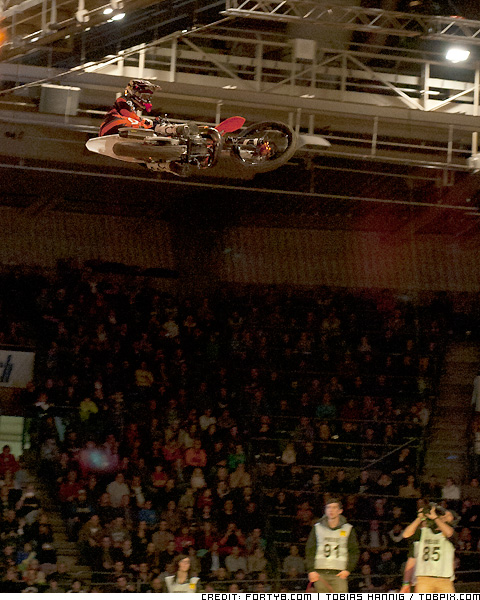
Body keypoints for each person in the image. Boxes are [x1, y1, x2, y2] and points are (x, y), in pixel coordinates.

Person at [99, 79, 196, 176]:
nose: (146, 100)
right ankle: (172, 129)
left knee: (142, 158)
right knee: (151, 125)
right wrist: (153, 125)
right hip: (113, 125)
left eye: (148, 97)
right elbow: (131, 116)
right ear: (134, 92)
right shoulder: (123, 100)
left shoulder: (129, 106)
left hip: (116, 133)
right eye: (144, 96)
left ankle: (165, 166)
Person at [305, 498, 360, 592]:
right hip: (320, 573)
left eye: (334, 507)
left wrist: (348, 570)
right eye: (328, 507)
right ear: (325, 510)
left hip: (339, 574)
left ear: (340, 511)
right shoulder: (317, 528)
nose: (331, 510)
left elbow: (354, 551)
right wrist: (311, 570)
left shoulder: (348, 529)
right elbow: (310, 550)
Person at [402, 504, 458, 592]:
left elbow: (449, 533)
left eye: (447, 515)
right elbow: (406, 534)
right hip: (424, 578)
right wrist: (419, 518)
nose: (443, 516)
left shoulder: (450, 534)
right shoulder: (424, 532)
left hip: (444, 579)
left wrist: (435, 518)